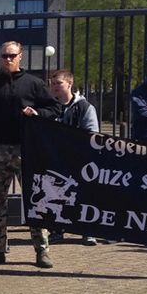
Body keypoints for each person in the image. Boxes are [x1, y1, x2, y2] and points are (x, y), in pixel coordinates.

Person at [0, 41, 61, 268]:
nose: (7, 60)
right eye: (4, 56)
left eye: (11, 55)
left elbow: (55, 109)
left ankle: (42, 250)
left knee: (34, 200)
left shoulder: (34, 84)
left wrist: (37, 112)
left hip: (26, 149)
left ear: (20, 56)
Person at [49, 69, 99, 246]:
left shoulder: (84, 107)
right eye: (53, 83)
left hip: (80, 159)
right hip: (56, 159)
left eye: (59, 83)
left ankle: (87, 231)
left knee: (84, 194)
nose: (55, 87)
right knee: (56, 193)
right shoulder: (49, 106)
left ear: (69, 84)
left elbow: (92, 133)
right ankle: (57, 230)